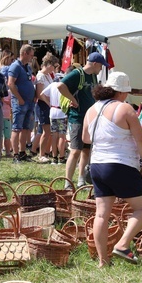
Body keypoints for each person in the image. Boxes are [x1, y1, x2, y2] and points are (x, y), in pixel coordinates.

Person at [82, 72, 142, 267]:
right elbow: (141, 140)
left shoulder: (91, 110)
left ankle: (103, 261)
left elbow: (86, 139)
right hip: (121, 164)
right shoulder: (125, 109)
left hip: (97, 165)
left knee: (101, 214)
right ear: (121, 92)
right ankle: (122, 244)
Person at [58, 52, 108, 188]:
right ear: (95, 64)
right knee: (75, 150)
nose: (101, 69)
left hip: (89, 118)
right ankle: (67, 183)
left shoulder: (93, 76)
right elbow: (60, 86)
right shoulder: (77, 74)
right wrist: (72, 99)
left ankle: (81, 179)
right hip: (77, 118)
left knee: (86, 150)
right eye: (101, 66)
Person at [8, 44, 37, 163]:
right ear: (24, 53)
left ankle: (22, 152)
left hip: (29, 102)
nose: (32, 57)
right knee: (16, 128)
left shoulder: (27, 67)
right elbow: (10, 83)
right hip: (20, 102)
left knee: (26, 128)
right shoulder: (15, 66)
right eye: (31, 55)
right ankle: (15, 154)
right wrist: (19, 98)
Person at [33, 54, 58, 163]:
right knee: (46, 131)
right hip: (43, 106)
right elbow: (40, 94)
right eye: (53, 66)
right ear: (48, 65)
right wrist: (49, 103)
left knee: (49, 131)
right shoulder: (41, 76)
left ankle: (46, 152)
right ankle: (41, 154)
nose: (54, 68)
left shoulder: (48, 75)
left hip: (48, 105)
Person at [40, 78, 68, 164]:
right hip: (62, 112)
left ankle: (54, 157)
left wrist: (49, 103)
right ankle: (61, 157)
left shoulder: (52, 85)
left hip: (52, 111)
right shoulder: (64, 86)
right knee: (62, 136)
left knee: (54, 135)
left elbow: (41, 94)